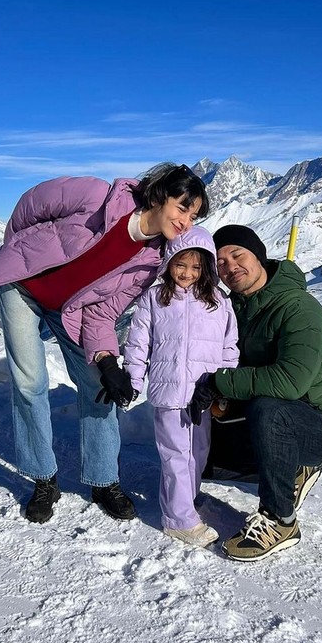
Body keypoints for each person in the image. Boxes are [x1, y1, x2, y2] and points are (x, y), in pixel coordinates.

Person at [0, 163, 210, 524]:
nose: (186, 221)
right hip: (20, 288)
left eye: (194, 215)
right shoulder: (97, 195)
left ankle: (104, 480)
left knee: (97, 386)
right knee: (30, 382)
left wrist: (107, 361)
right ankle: (44, 478)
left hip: (67, 309)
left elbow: (103, 313)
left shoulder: (150, 262)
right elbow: (33, 203)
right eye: (182, 207)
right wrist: (16, 249)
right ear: (159, 196)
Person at [189, 224, 322, 561]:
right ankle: (291, 470)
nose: (230, 266)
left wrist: (219, 382)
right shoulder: (233, 308)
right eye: (220, 262)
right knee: (206, 463)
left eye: (237, 255)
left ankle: (281, 519)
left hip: (318, 426)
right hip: (264, 417)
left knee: (270, 408)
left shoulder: (300, 308)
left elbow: (290, 382)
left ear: (258, 256)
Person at [123, 227, 239, 547]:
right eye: (180, 265)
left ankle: (188, 496)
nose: (187, 273)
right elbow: (137, 343)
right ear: (169, 262)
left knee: (198, 452)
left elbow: (229, 347)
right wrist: (133, 377)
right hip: (169, 390)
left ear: (207, 268)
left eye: (196, 267)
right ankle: (178, 519)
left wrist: (225, 384)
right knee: (176, 454)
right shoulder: (154, 298)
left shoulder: (218, 301)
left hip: (203, 392)